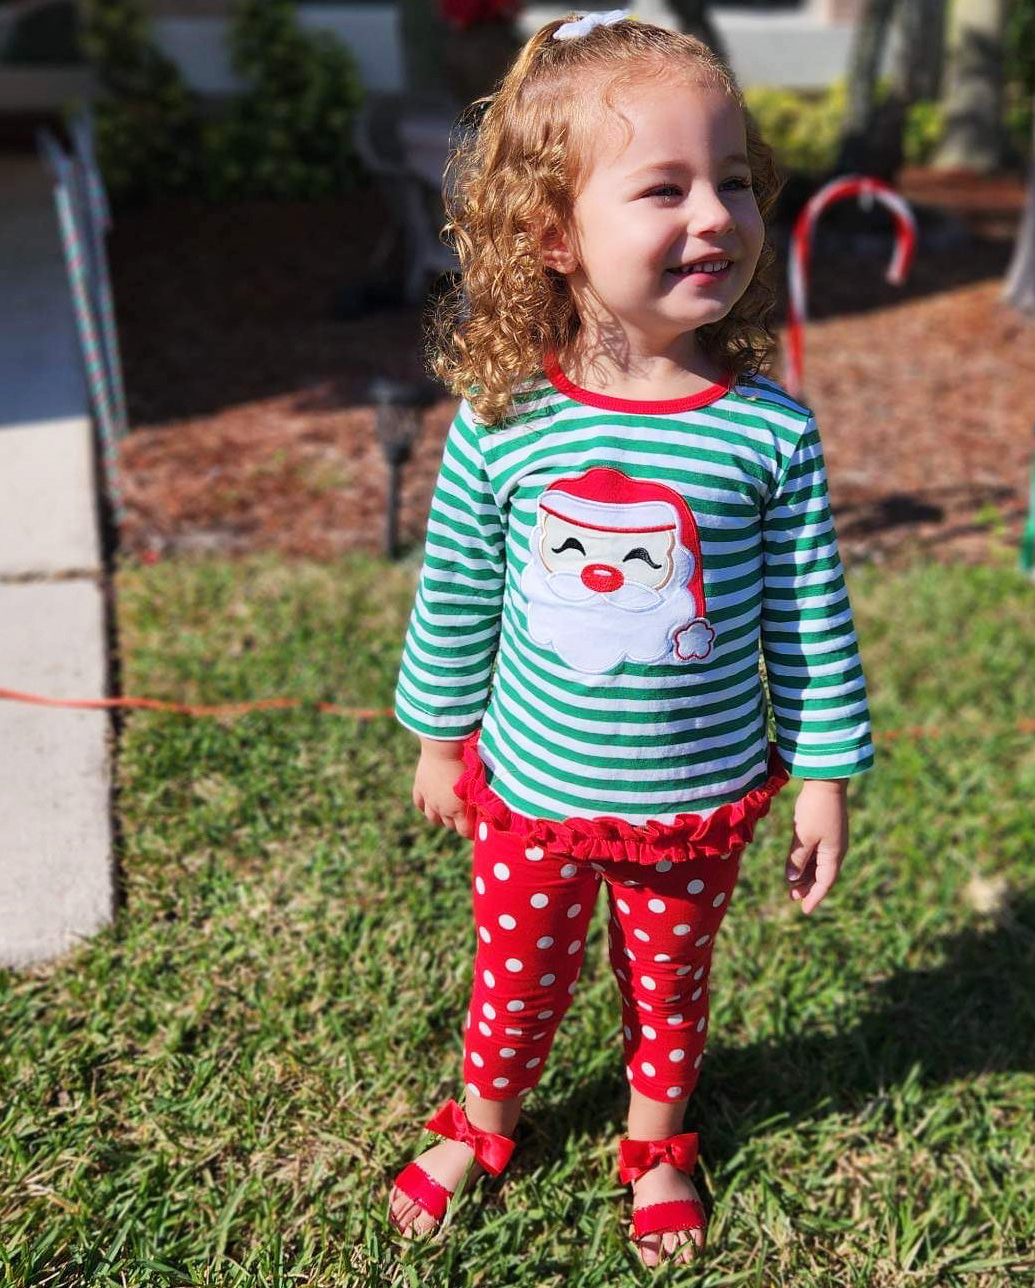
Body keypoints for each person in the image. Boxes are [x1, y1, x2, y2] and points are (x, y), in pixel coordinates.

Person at [388, 9, 874, 1269]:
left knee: (668, 987)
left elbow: (808, 619)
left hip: (693, 802)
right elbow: (455, 595)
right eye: (665, 188)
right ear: (553, 233)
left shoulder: (766, 433)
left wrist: (824, 772)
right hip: (535, 795)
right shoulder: (508, 420)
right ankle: (484, 1118)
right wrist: (440, 740)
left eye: (731, 181)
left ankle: (657, 1139)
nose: (714, 215)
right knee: (519, 976)